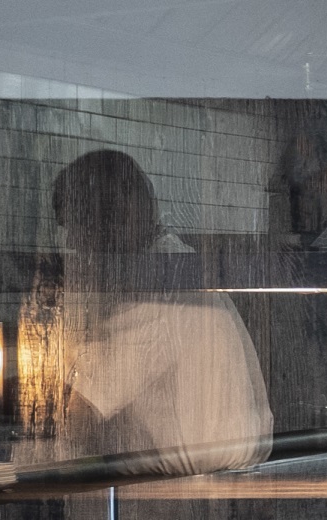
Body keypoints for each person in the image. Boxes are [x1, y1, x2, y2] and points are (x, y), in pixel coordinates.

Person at [41, 149, 273, 474]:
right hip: (194, 489)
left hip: (188, 500)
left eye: (77, 224)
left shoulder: (160, 286)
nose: (73, 241)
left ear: (116, 215)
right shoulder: (170, 266)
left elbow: (78, 415)